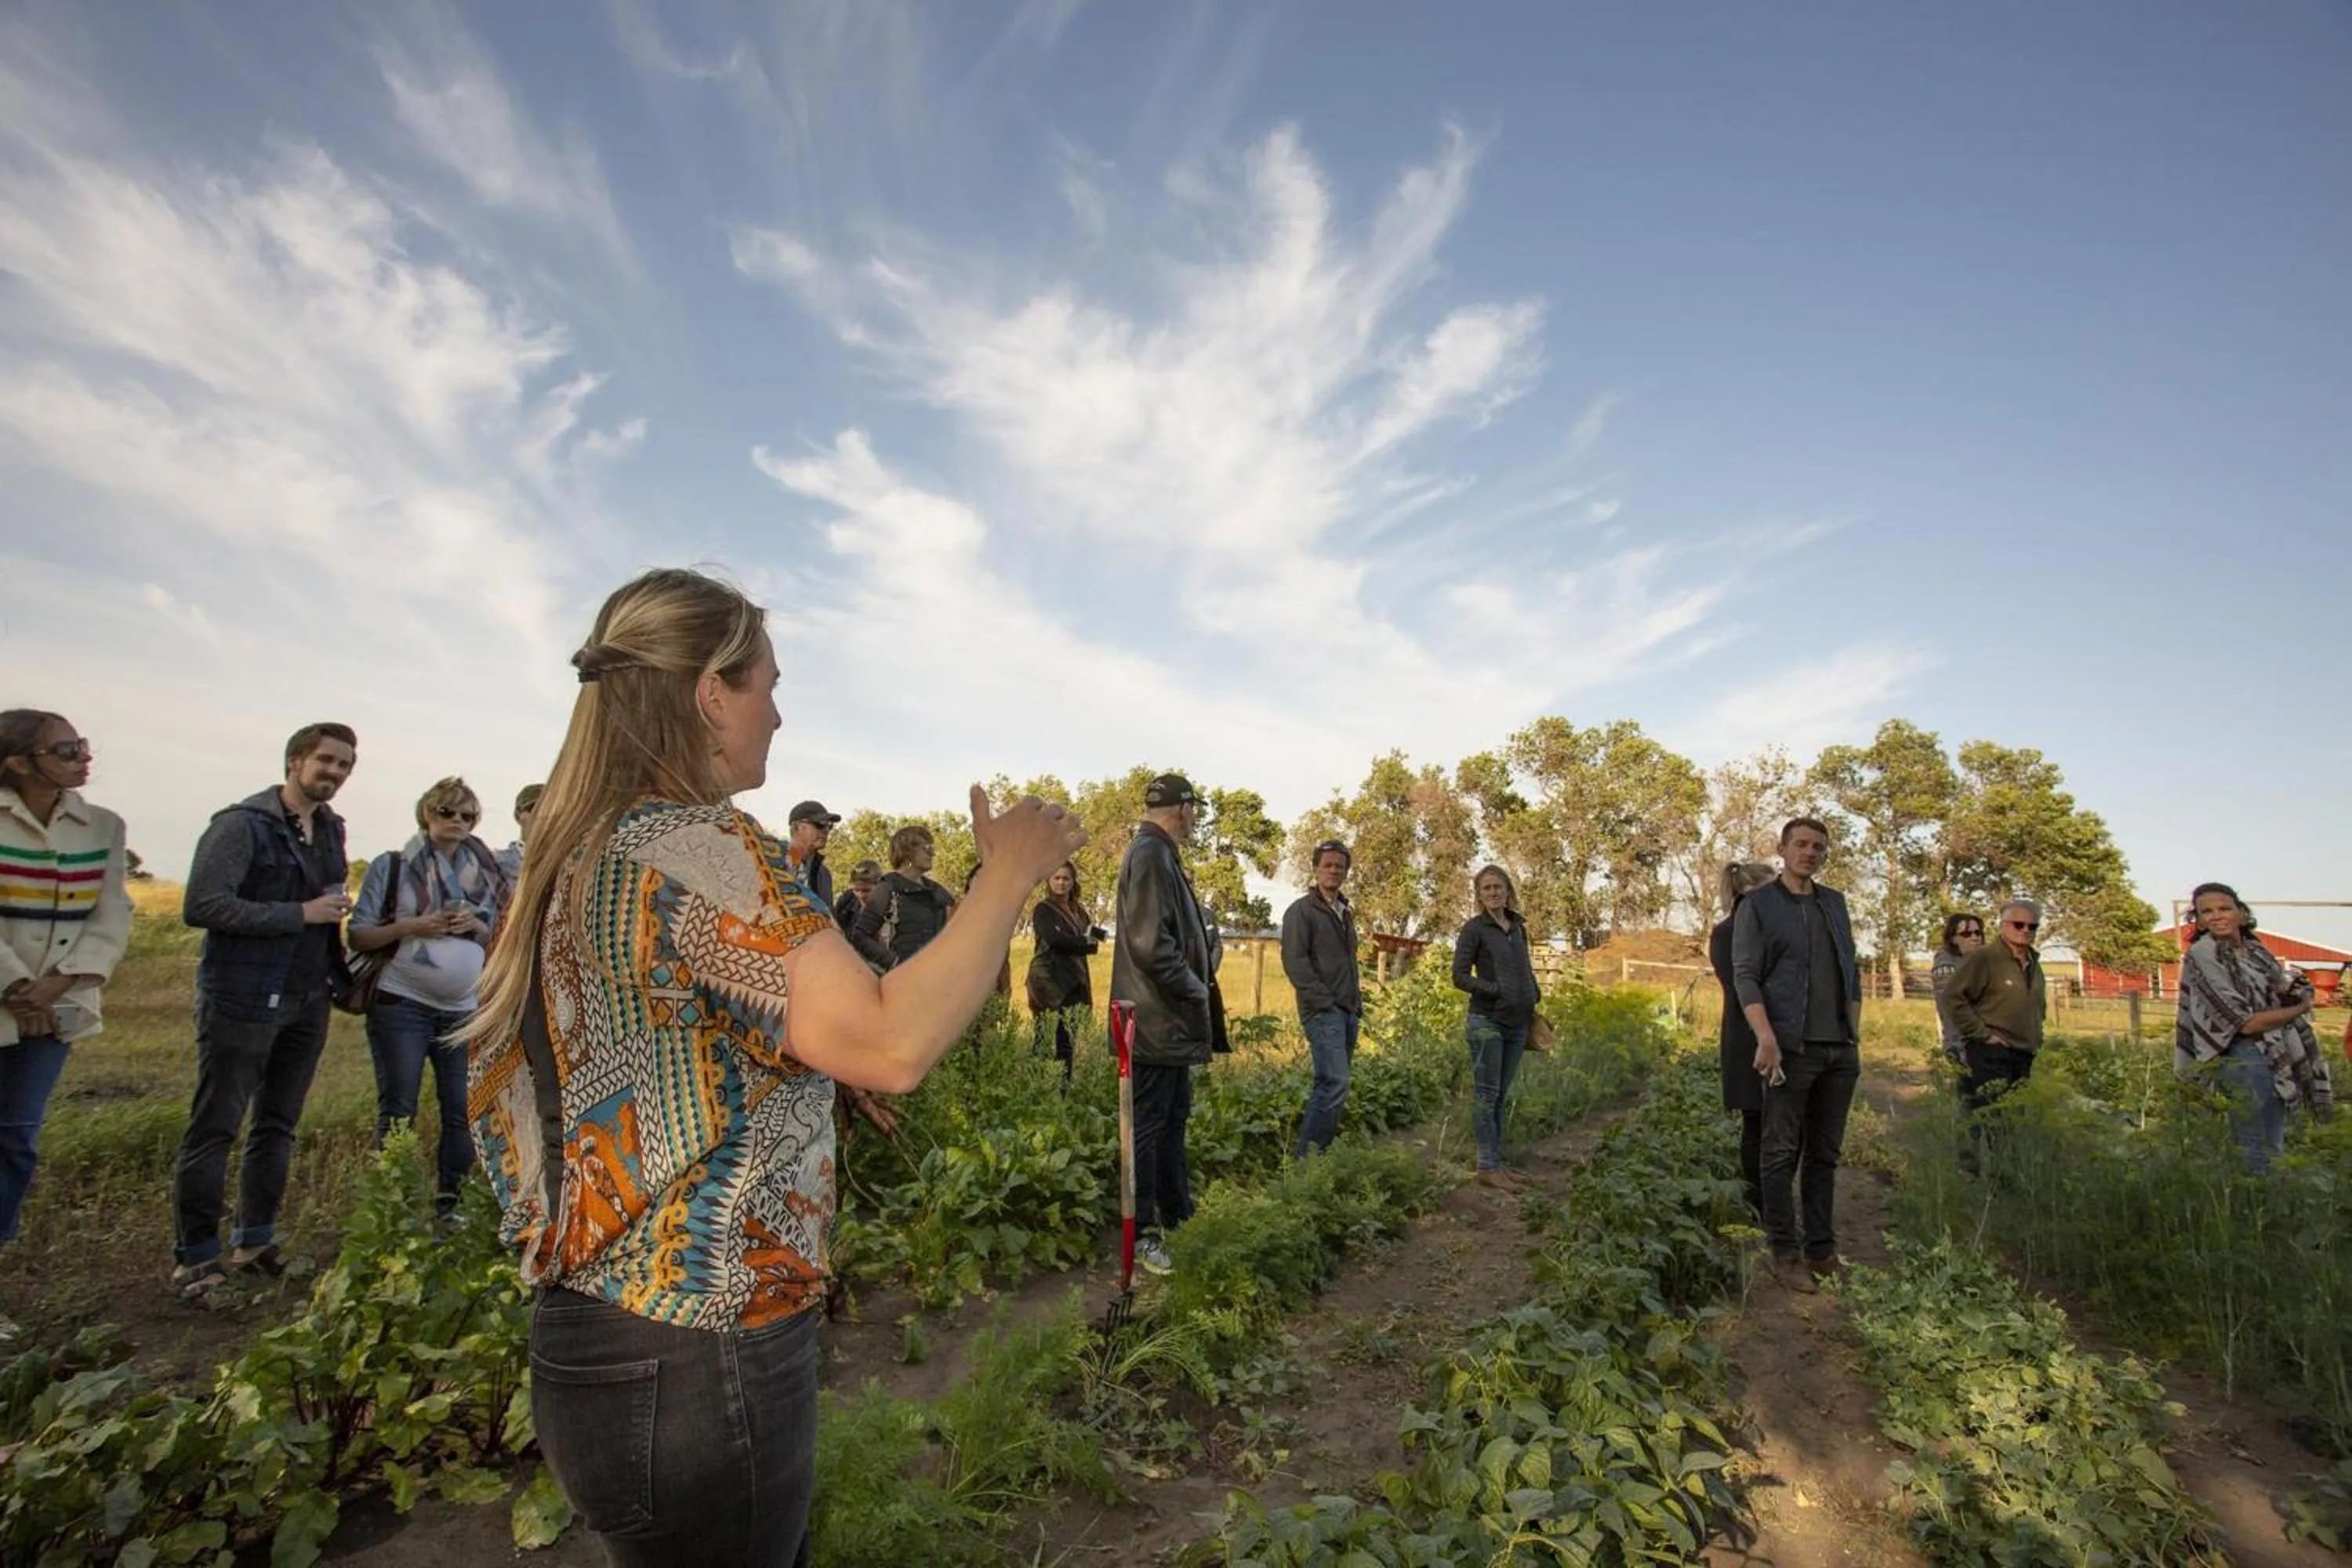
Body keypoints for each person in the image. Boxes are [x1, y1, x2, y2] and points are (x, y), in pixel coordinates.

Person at [462, 567, 1081, 1566]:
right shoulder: (698, 844)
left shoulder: (581, 853)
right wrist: (1010, 872)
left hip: (598, 1342)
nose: (780, 715)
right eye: (768, 685)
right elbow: (890, 1038)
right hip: (700, 1350)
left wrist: (806, 1077)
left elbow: (654, 1049)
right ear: (711, 690)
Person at [171, 722, 358, 1303]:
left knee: (277, 1124)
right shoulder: (241, 825)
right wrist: (298, 913)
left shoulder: (331, 830)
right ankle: (197, 1259)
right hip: (242, 995)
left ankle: (254, 1242)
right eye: (326, 761)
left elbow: (323, 908)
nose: (335, 773)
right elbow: (203, 905)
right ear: (296, 760)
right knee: (217, 1125)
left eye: (345, 766)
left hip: (306, 996)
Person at [0, 712, 132, 1327]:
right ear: (20, 762)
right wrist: (16, 988)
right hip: (13, 995)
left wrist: (55, 988)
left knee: (15, 1142)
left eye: (84, 744)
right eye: (66, 748)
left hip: (56, 1007)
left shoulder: (101, 828)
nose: (84, 757)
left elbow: (109, 918)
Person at [348, 778, 511, 1218]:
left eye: (467, 815)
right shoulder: (395, 865)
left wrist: (476, 927)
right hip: (403, 1003)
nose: (457, 821)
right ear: (427, 813)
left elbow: (506, 936)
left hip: (463, 1010)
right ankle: (393, 1206)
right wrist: (412, 927)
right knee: (399, 1106)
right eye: (447, 812)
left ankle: (449, 1207)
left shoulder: (490, 872)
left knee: (460, 1110)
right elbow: (359, 933)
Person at [1730, 817, 1861, 1290]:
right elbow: (1746, 974)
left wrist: (1855, 1032)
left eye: (1818, 847)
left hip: (1839, 1050)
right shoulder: (1759, 906)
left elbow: (1851, 970)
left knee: (1824, 1155)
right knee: (1780, 1151)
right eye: (1801, 845)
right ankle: (1784, 1252)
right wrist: (1765, 1037)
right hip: (1790, 1047)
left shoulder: (1835, 904)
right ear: (1782, 850)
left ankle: (1822, 1251)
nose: (1810, 853)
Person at [1111, 773, 1216, 1276]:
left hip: (1164, 1021)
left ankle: (1179, 1217)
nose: (1195, 818)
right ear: (1184, 808)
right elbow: (1152, 945)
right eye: (1194, 809)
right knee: (1150, 1130)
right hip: (1154, 1020)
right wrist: (1196, 989)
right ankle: (1146, 1234)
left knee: (1172, 1123)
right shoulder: (1151, 855)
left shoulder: (1160, 855)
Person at [2176, 882, 2329, 1173]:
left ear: (2242, 914)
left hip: (2273, 1050)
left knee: (2273, 1142)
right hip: (2243, 1056)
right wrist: (2301, 1007)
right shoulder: (2204, 954)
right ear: (2198, 920)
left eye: (2224, 908)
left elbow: (2273, 992)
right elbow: (2244, 1023)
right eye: (2206, 911)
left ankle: (2267, 1207)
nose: (2216, 916)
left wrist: (2294, 990)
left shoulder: (2255, 951)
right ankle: (2254, 1209)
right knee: (2254, 1147)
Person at [1453, 863, 1541, 1188]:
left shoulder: (1518, 927)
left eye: (1498, 887)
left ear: (1508, 890)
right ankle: (1487, 1167)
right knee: (1486, 1095)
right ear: (1479, 894)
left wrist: (1533, 994)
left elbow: (1525, 966)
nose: (1493, 892)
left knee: (1500, 1095)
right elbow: (1459, 976)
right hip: (1486, 1022)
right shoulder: (1474, 929)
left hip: (1518, 1023)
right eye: (1486, 888)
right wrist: (1496, 991)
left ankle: (1498, 1166)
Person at [1944, 899, 2047, 1149]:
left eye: (2032, 927)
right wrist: (1981, 1034)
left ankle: (2010, 1176)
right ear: (2003, 926)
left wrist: (2038, 1033)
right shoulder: (1984, 958)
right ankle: (1986, 1178)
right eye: (2019, 924)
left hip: (2024, 1054)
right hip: (1993, 1052)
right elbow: (1953, 997)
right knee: (1994, 1122)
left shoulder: (2034, 963)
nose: (2025, 931)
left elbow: (2037, 1004)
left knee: (2015, 1120)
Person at [1283, 840, 1361, 1158]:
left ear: (1346, 873)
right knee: (1336, 1082)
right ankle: (1307, 1162)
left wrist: (1355, 1004)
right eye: (1327, 865)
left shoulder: (1344, 912)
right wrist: (1325, 1002)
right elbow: (1295, 962)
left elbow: (1347, 962)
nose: (1333, 870)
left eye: (1339, 866)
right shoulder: (1301, 912)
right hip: (1322, 1011)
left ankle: (1315, 1159)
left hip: (1348, 1011)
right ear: (1315, 869)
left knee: (1329, 1085)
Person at [1708, 861, 1778, 1216]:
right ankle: (1759, 1202)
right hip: (1747, 1034)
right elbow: (1740, 987)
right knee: (1757, 1120)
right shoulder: (1727, 933)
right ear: (1750, 890)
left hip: (1776, 1033)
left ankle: (1773, 1200)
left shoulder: (1771, 927)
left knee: (1779, 1122)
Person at [1025, 861, 1102, 1079]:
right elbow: (1054, 939)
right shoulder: (1043, 909)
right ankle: (1036, 1087)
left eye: (1066, 878)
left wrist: (1082, 942)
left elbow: (1095, 941)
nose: (1061, 883)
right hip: (1047, 980)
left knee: (1067, 1039)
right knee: (1043, 1036)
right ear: (1049, 881)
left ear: (1073, 881)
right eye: (1057, 878)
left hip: (1074, 980)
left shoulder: (1080, 912)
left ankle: (1062, 1091)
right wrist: (1082, 943)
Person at [849, 824, 955, 971]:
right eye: (927, 849)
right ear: (908, 853)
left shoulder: (938, 892)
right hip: (903, 979)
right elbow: (860, 936)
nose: (932, 854)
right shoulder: (887, 888)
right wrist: (894, 961)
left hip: (936, 974)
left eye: (932, 848)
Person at [1929, 912, 1984, 1069]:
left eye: (1977, 932)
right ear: (1953, 938)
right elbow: (1952, 1007)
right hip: (1963, 1045)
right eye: (1966, 934)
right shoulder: (1945, 964)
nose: (1974, 938)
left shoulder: (1980, 960)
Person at [785, 800, 839, 911]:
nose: (826, 830)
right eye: (820, 824)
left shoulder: (824, 874)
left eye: (829, 825)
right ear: (799, 827)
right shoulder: (775, 861)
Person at [497, 782, 544, 881]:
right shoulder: (496, 864)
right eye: (534, 808)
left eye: (549, 809)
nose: (542, 815)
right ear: (518, 815)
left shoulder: (568, 862)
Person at [834, 858, 878, 936]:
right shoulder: (846, 901)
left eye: (866, 890)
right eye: (856, 890)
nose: (861, 896)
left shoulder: (891, 905)